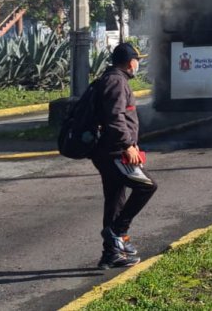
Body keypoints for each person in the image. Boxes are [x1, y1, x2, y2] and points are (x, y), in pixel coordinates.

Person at [92, 43, 157, 269]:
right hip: (115, 152)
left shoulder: (113, 79)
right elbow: (115, 117)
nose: (137, 64)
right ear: (131, 62)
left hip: (109, 151)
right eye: (137, 60)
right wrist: (128, 145)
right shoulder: (116, 82)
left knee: (115, 200)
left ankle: (111, 254)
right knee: (147, 186)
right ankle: (116, 231)